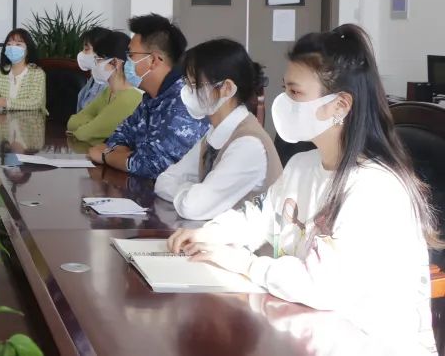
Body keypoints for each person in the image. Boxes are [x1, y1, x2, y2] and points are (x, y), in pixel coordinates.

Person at [168, 25, 438, 353]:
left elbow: (322, 286)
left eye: (296, 94)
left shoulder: (375, 188)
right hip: (308, 331)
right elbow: (257, 216)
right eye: (285, 90)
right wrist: (210, 235)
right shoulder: (301, 166)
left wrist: (243, 263)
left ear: (340, 105)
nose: (283, 103)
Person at [154, 39, 282, 220]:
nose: (188, 92)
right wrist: (191, 191)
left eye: (195, 85)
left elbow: (194, 207)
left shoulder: (248, 144)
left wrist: (190, 191)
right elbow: (163, 181)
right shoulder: (214, 134)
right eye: (187, 83)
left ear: (227, 88)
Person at [87, 13, 208, 177]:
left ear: (154, 61)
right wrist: (124, 156)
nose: (127, 62)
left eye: (131, 55)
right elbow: (119, 136)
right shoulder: (152, 98)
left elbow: (152, 165)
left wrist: (106, 156)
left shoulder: (183, 103)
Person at [65, 30, 142, 146]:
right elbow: (72, 123)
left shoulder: (129, 98)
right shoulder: (108, 91)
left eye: (98, 60)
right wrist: (94, 127)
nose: (95, 64)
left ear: (115, 62)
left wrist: (89, 128)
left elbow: (85, 134)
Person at [0, 28, 46, 112]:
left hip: (31, 119)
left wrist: (6, 103)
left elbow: (36, 103)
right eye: (9, 44)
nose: (12, 47)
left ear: (28, 49)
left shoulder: (37, 73)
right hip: (4, 119)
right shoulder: (1, 72)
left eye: (18, 44)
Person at [75, 26, 113, 112]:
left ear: (102, 52)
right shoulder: (94, 79)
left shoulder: (110, 85)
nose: (81, 54)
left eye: (86, 49)